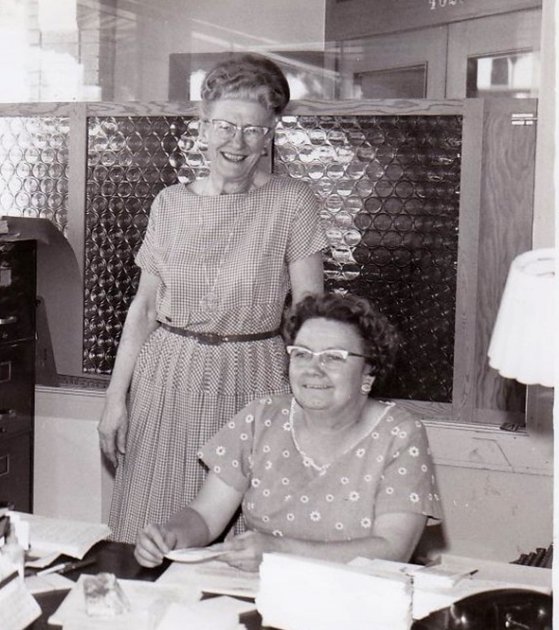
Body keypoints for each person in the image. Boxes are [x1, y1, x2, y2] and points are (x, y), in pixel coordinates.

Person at [100, 53, 327, 543]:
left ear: (269, 136)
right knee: (151, 530)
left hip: (255, 378)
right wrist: (116, 399)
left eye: (253, 130)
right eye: (225, 126)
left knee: (245, 536)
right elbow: (142, 310)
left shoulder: (293, 202)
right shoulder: (169, 204)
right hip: (166, 377)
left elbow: (311, 310)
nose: (237, 142)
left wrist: (311, 399)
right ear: (202, 128)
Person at [134, 293, 443, 570]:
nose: (313, 369)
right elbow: (204, 516)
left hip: (358, 602)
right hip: (261, 594)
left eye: (334, 357)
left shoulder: (400, 434)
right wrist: (171, 535)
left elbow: (393, 550)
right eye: (302, 354)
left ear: (369, 372)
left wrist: (278, 551)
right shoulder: (260, 418)